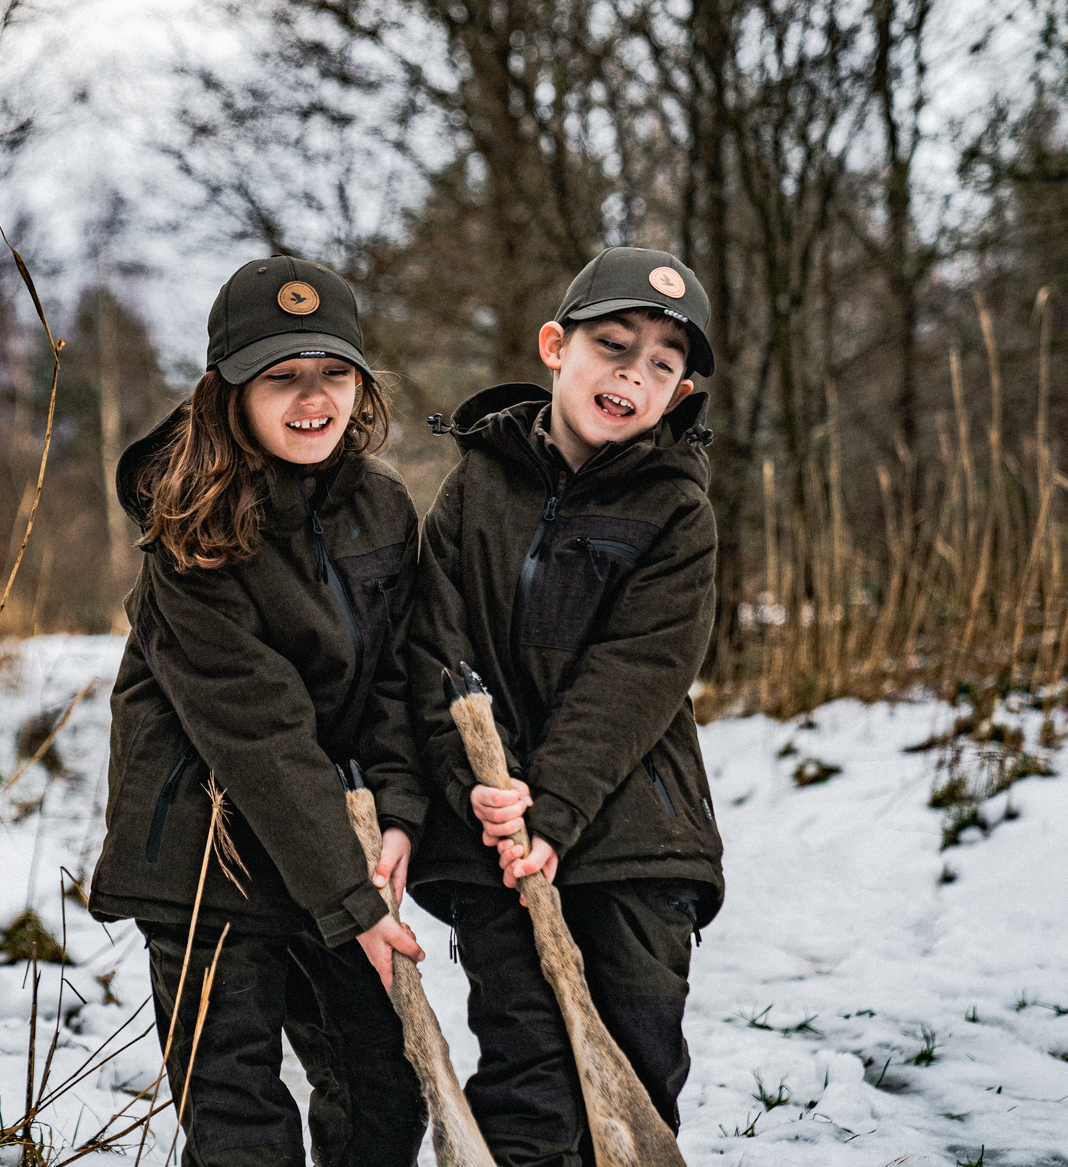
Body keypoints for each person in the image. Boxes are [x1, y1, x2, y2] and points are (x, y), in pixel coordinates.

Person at [89, 255, 429, 1167]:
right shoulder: (189, 529)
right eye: (281, 376)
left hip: (330, 850)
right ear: (227, 391)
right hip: (208, 861)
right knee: (242, 1124)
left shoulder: (383, 507)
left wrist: (398, 810)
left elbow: (400, 676)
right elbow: (261, 734)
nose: (312, 398)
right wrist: (353, 900)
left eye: (333, 372)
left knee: (385, 1095)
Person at [406, 247, 726, 1165]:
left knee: (632, 1060)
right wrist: (483, 789)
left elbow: (637, 673)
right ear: (556, 345)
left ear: (679, 391)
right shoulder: (474, 488)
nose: (633, 372)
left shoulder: (677, 511)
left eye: (663, 363)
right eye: (614, 344)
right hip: (494, 837)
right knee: (528, 1075)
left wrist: (553, 801)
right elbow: (436, 649)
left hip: (630, 837)